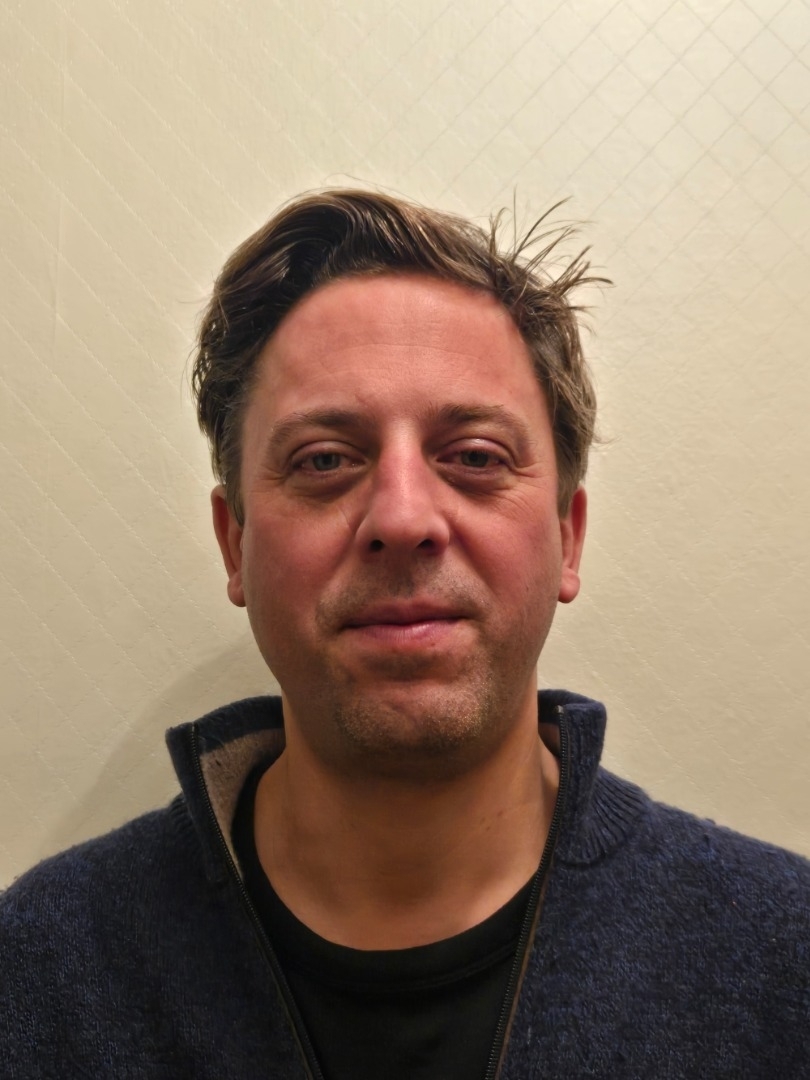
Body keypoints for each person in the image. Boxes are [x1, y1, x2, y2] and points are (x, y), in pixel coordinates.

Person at [2, 189, 809, 1079]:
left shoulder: (784, 961)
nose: (401, 517)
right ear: (235, 544)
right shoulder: (39, 974)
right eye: (324, 459)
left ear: (567, 537)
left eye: (474, 457)